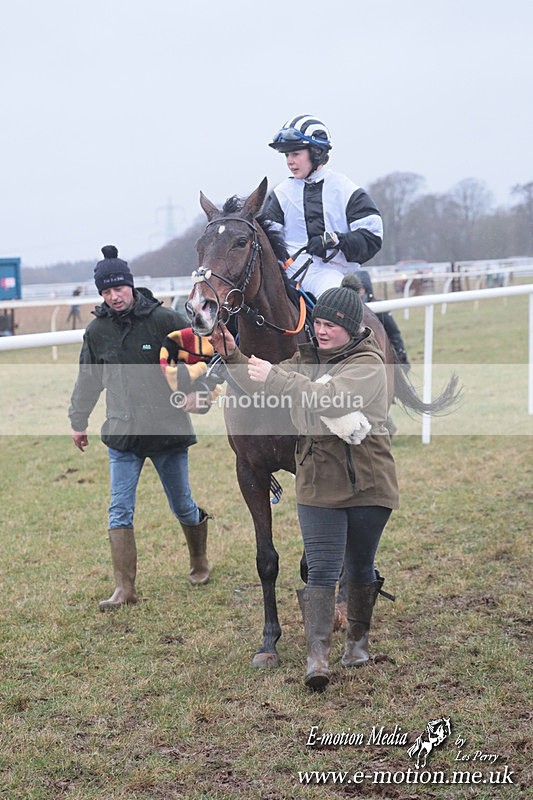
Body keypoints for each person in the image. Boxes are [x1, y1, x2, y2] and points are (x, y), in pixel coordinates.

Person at [209, 275, 399, 690]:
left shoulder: (368, 364)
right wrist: (232, 355)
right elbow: (261, 382)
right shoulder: (306, 358)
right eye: (318, 322)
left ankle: (358, 643)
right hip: (317, 484)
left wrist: (274, 376)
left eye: (331, 324)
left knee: (361, 567)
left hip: (368, 485)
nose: (321, 329)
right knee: (322, 572)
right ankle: (317, 658)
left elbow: (327, 398)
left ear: (352, 327)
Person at [69, 245, 211, 612]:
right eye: (106, 291)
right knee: (119, 510)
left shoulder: (164, 320)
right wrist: (78, 421)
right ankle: (124, 589)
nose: (113, 296)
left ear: (131, 286)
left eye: (118, 288)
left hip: (167, 433)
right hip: (123, 436)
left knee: (182, 506)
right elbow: (88, 380)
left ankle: (199, 561)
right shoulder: (96, 331)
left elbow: (198, 358)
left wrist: (202, 395)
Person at [263, 115, 383, 299]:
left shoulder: (346, 190)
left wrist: (335, 240)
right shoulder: (280, 194)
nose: (289, 161)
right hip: (287, 275)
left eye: (295, 154)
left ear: (317, 152)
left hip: (331, 275)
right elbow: (267, 241)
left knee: (332, 299)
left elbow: (372, 237)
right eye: (287, 155)